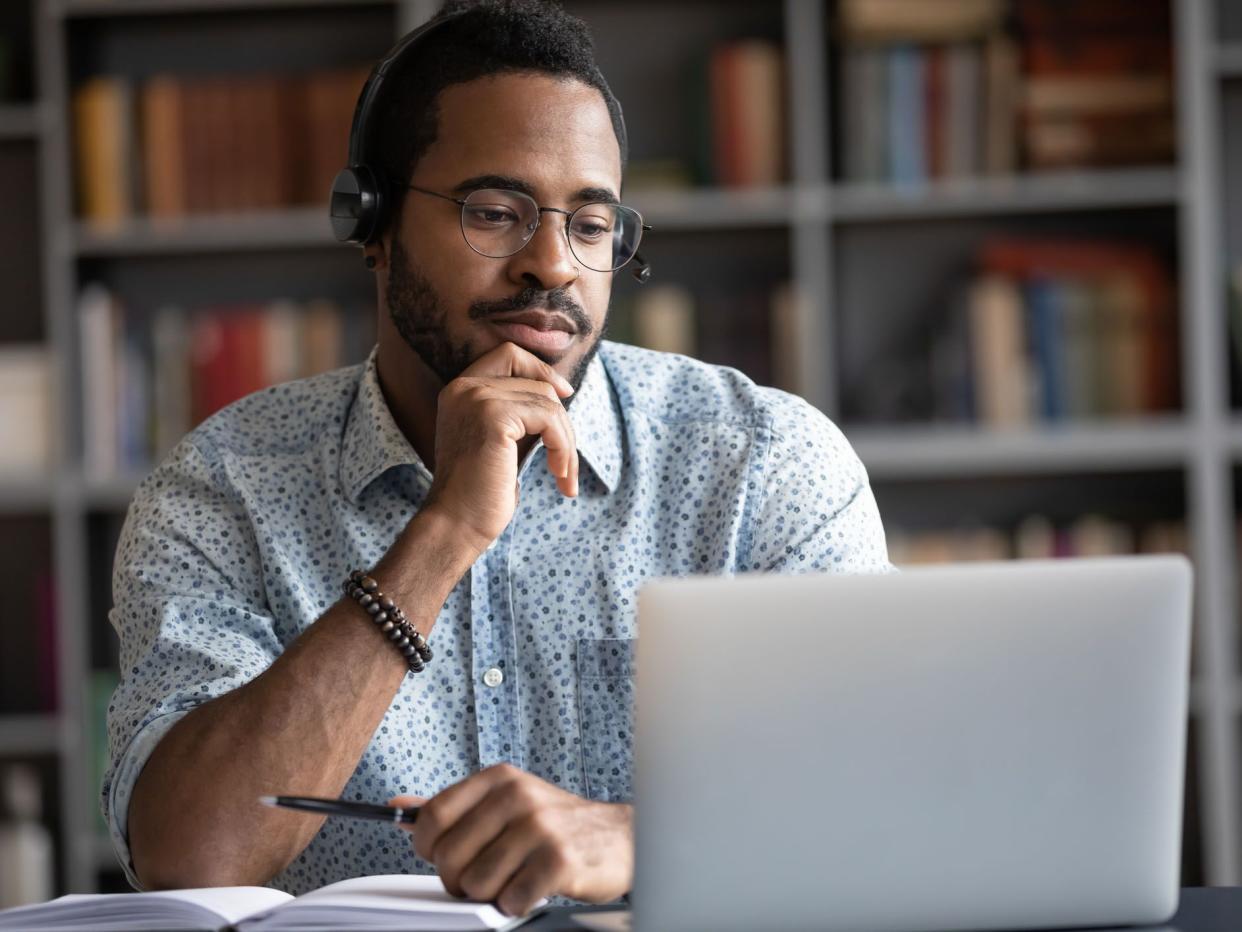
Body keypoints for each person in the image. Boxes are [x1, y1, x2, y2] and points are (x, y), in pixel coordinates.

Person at [102, 0, 891, 917]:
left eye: (590, 227)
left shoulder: (762, 466)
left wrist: (641, 836)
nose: (551, 265)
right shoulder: (222, 490)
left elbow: (886, 800)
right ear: (375, 225)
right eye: (495, 212)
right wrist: (441, 536)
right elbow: (191, 858)